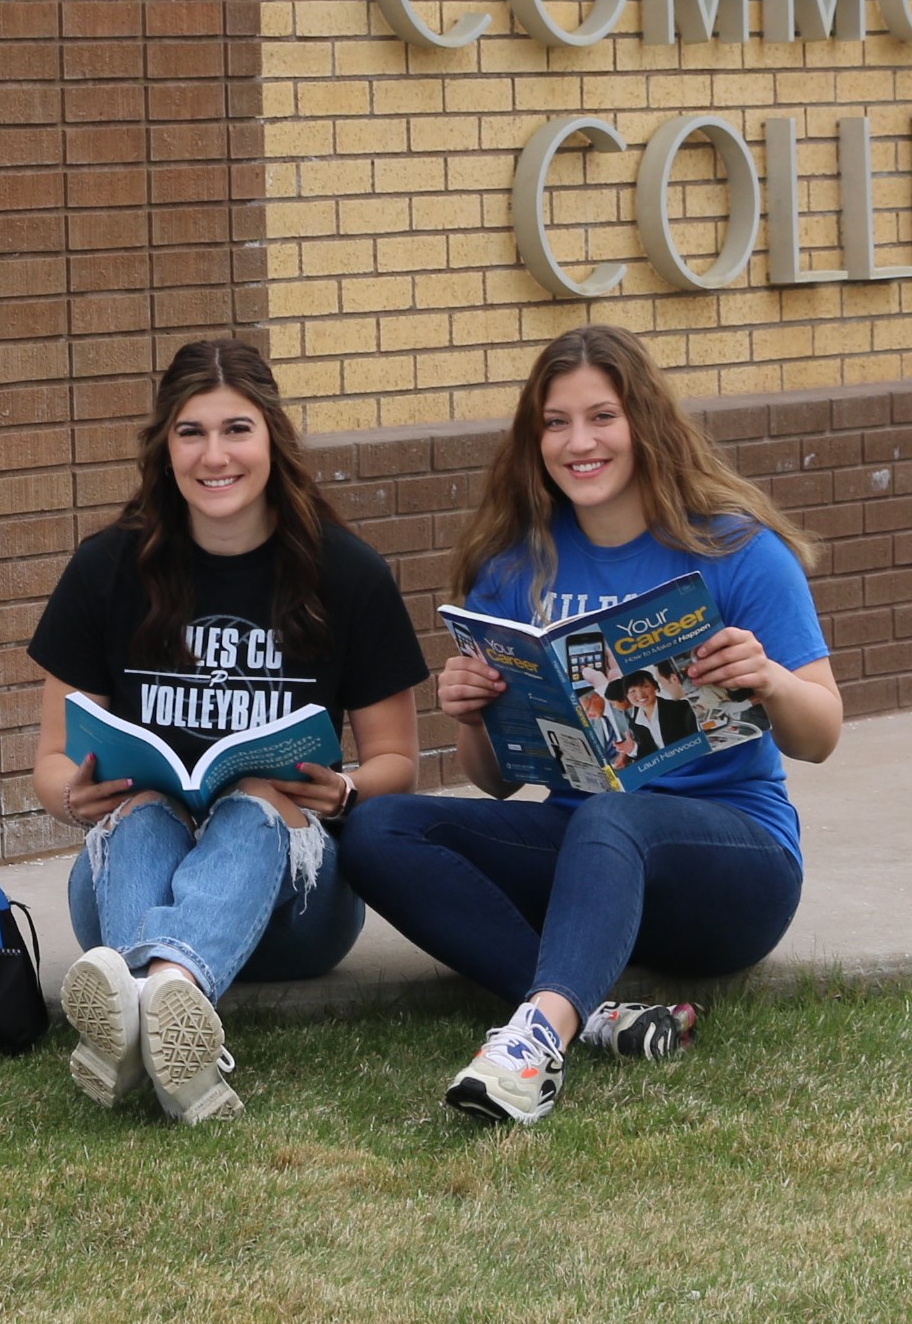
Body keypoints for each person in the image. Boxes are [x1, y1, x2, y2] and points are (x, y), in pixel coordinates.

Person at [342, 323, 845, 1124]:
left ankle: (534, 1048)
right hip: (586, 859)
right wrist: (472, 714)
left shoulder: (736, 551)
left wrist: (770, 679)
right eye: (554, 422)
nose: (578, 442)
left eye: (601, 417)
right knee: (377, 830)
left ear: (643, 422)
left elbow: (820, 736)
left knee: (615, 816)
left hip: (730, 870)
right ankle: (595, 1016)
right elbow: (497, 780)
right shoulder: (516, 567)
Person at [27, 338, 427, 1123]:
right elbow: (49, 761)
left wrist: (344, 790)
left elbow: (398, 761)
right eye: (191, 432)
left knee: (250, 795)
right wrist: (74, 799)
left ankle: (144, 994)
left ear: (272, 436)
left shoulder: (344, 573)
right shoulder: (108, 569)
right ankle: (173, 1010)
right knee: (141, 811)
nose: (215, 455)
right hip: (133, 879)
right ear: (164, 447)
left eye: (236, 429)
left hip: (295, 905)